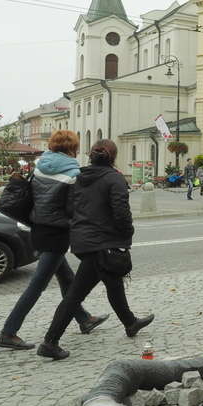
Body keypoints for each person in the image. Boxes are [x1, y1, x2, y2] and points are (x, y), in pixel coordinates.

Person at [37, 140, 153, 360]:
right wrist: (126, 233)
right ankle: (49, 342)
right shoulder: (114, 178)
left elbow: (70, 208)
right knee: (75, 295)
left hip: (84, 240)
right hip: (102, 243)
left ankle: (130, 323)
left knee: (113, 282)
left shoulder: (80, 177)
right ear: (113, 157)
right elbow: (121, 212)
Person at [0, 131, 108, 351]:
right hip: (57, 233)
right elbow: (73, 208)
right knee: (37, 286)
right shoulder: (73, 173)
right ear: (72, 147)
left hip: (37, 229)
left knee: (67, 278)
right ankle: (8, 332)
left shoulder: (40, 165)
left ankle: (84, 318)